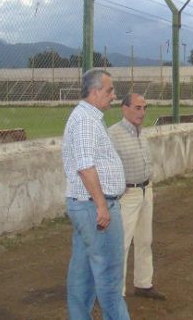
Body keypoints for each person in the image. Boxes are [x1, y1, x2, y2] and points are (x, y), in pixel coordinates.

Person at [62, 69, 130, 320]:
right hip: (94, 207)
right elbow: (84, 165)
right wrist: (102, 205)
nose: (114, 95)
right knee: (110, 278)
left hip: (88, 206)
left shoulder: (90, 118)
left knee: (83, 276)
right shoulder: (84, 121)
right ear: (94, 92)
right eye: (109, 90)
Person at [108, 92, 165, 300]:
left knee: (144, 240)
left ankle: (143, 283)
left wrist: (149, 186)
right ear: (125, 109)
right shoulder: (113, 134)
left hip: (145, 190)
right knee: (121, 244)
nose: (142, 112)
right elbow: (106, 166)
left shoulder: (142, 132)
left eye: (144, 108)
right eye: (138, 108)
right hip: (127, 194)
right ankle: (116, 293)